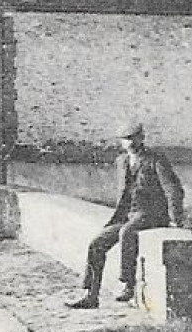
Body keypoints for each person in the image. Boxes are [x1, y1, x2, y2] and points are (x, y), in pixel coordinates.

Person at [67, 123, 184, 309]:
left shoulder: (156, 160)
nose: (129, 142)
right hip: (126, 214)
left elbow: (173, 190)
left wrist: (176, 218)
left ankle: (128, 284)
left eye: (133, 137)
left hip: (151, 214)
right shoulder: (121, 161)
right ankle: (91, 295)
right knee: (97, 244)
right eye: (125, 139)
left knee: (126, 233)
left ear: (141, 137)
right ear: (121, 142)